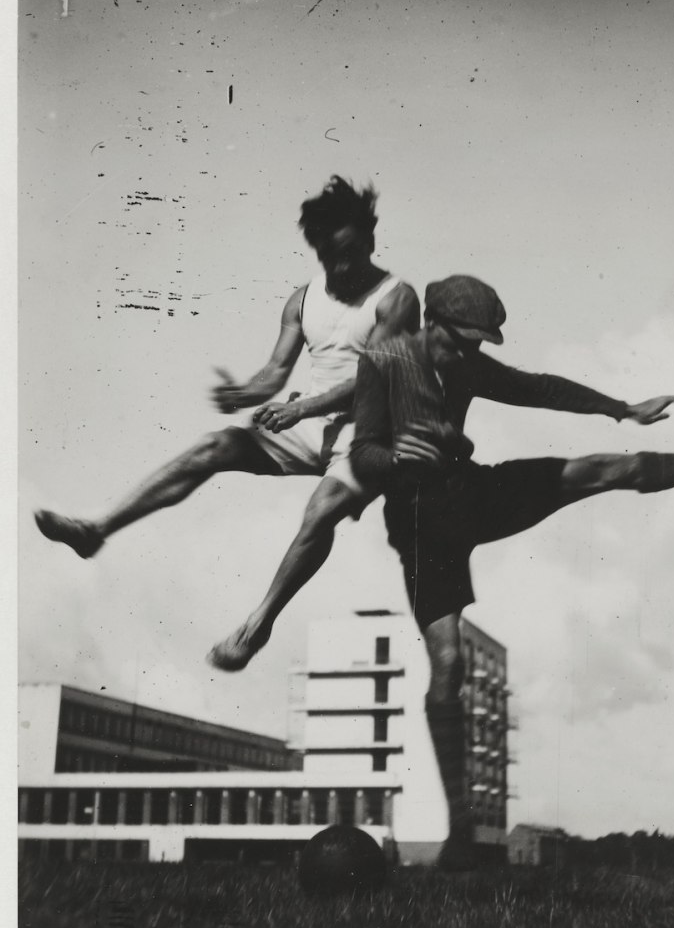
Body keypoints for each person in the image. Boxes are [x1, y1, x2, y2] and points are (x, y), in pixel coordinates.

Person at [350, 274, 674, 868]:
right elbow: (362, 454)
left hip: (469, 492)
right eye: (459, 342)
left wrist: (622, 409)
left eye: (477, 346)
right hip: (421, 522)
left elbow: (539, 388)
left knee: (603, 470)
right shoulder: (384, 362)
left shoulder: (468, 365)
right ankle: (459, 833)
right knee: (448, 663)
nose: (466, 355)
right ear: (430, 324)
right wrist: (397, 454)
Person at [35, 177, 419, 668]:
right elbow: (275, 372)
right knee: (214, 445)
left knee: (321, 509)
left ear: (369, 240)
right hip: (314, 422)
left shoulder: (396, 298)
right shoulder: (303, 299)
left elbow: (373, 377)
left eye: (347, 254)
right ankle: (97, 529)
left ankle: (256, 626)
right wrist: (243, 393)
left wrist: (300, 409)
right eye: (328, 257)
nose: (338, 267)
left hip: (374, 432)